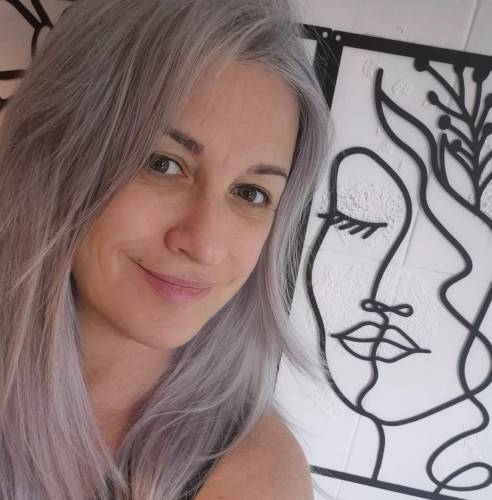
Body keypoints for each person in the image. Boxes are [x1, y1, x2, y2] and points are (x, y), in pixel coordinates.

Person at [0, 0, 330, 498]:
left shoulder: (252, 474)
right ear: (59, 153)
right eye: (164, 164)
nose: (205, 245)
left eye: (250, 193)